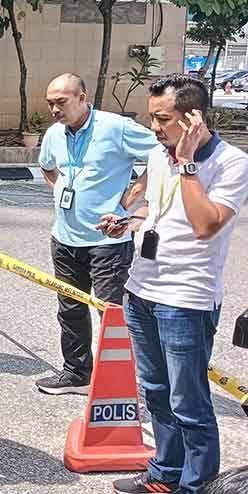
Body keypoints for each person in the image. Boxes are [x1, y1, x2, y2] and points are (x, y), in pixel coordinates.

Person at [98, 75, 248, 494]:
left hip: (187, 298)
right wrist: (126, 223)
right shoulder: (160, 155)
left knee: (190, 402)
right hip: (142, 289)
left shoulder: (232, 162)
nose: (155, 128)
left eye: (163, 119)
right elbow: (155, 209)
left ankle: (197, 485)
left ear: (194, 117)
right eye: (152, 119)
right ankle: (165, 473)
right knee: (156, 392)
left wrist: (186, 163)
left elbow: (205, 225)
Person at [35, 73, 157, 396]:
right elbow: (47, 167)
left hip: (108, 243)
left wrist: (129, 201)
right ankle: (76, 373)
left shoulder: (115, 128)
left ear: (82, 97)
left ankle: (119, 383)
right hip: (64, 239)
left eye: (61, 102)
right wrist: (61, 190)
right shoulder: (54, 135)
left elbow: (160, 154)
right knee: (70, 308)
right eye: (50, 104)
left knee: (112, 313)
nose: (55, 110)